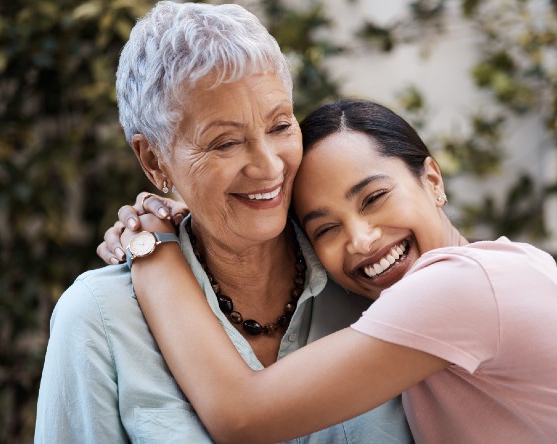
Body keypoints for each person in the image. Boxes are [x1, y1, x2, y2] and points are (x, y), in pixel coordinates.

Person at [110, 99, 557, 443]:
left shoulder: (458, 288)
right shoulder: (500, 267)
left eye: (373, 198)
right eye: (325, 229)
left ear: (432, 180)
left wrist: (154, 246)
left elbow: (241, 417)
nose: (362, 240)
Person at [34, 3, 410, 442]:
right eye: (225, 142)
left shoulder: (369, 274)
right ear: (154, 160)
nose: (268, 167)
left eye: (280, 125)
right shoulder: (98, 319)